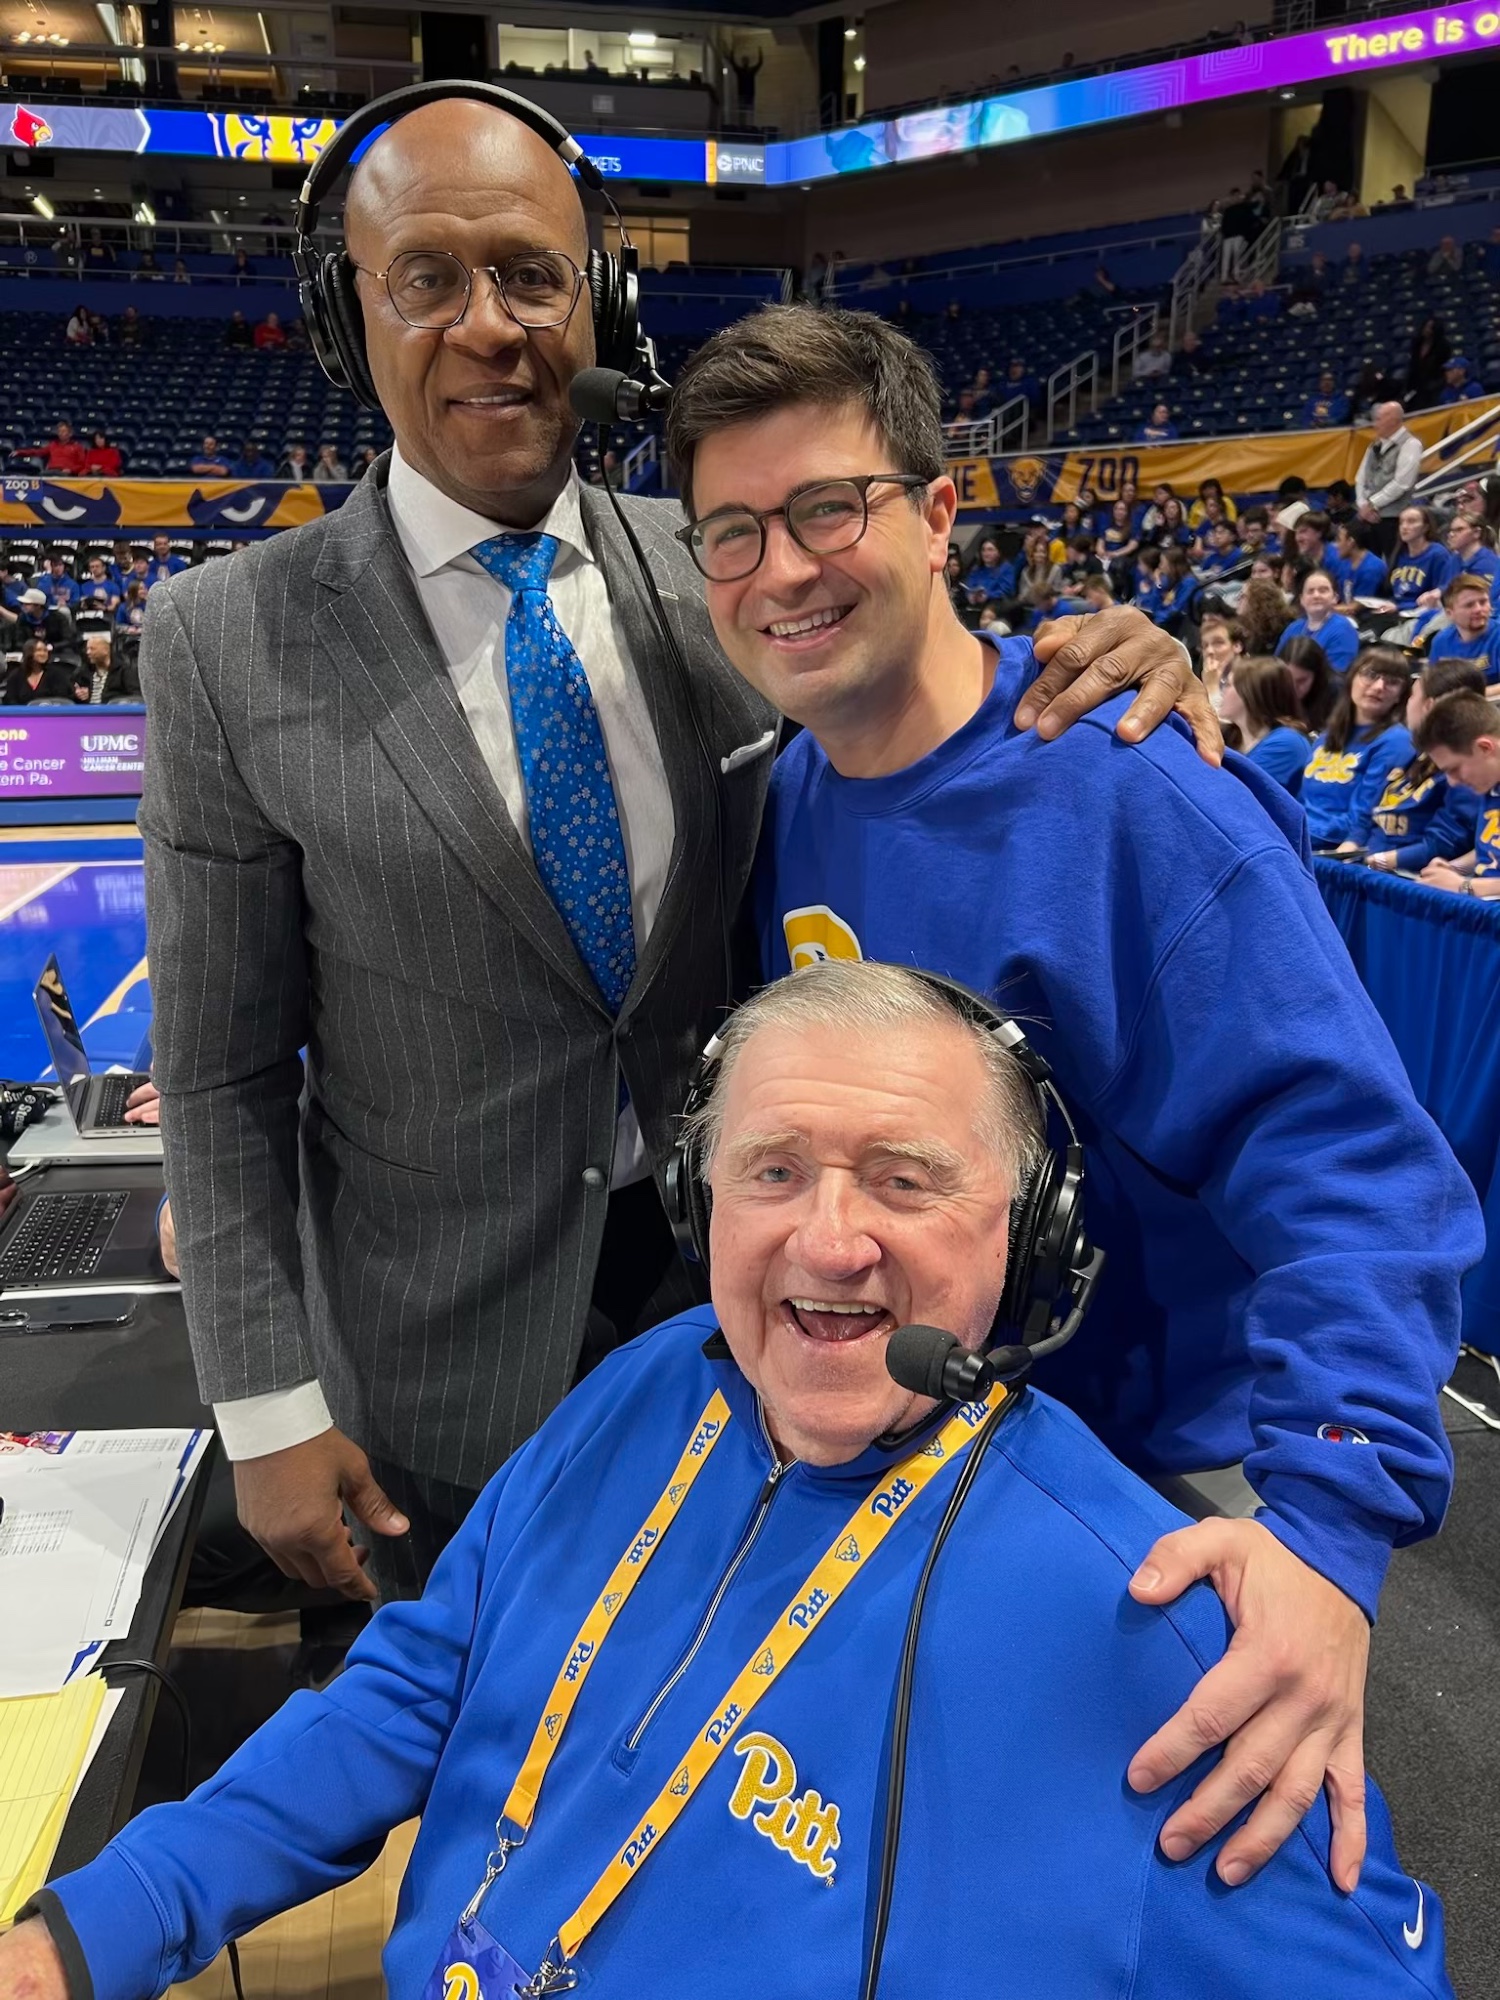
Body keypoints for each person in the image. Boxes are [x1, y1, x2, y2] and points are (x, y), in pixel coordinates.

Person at [134, 96, 1203, 1615]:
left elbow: (916, 681)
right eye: (426, 279)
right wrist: (263, 1407)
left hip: (749, 1324)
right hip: (433, 1375)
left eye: (531, 276)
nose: (489, 326)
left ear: (602, 304)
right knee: (470, 1737)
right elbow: (224, 1071)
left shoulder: (721, 565)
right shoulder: (224, 637)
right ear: (344, 317)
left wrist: (1104, 656)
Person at [0, 963, 1460, 2000]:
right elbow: (421, 1685)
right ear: (702, 1202)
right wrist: (93, 1929)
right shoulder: (652, 1385)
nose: (827, 1242)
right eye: (773, 1172)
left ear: (1029, 1232)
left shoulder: (1159, 1625)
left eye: (904, 1177)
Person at [666, 300, 1479, 1889]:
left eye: (830, 508)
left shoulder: (1131, 791)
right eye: (735, 533)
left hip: (1147, 1485)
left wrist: (1326, 1533)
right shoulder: (793, 788)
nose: (783, 569)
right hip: (933, 1464)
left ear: (939, 513)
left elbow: (1358, 1174)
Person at [1363, 659, 1487, 873]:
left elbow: (1445, 843)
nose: (1407, 704)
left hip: (1410, 875)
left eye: (1412, 695)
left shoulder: (1466, 768)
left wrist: (1381, 860)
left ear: (1429, 706)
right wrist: (1353, 846)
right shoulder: (1412, 753)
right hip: (1374, 863)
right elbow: (1369, 812)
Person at [1300, 647, 1413, 847]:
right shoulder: (1328, 736)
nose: (1379, 686)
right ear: (1352, 679)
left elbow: (1364, 814)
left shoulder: (1397, 741)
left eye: (1392, 682)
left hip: (1333, 844)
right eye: (1371, 675)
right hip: (1302, 833)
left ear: (1400, 696)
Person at [1414, 691, 1500, 896]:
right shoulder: (1490, 780)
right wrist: (1453, 869)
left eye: (1454, 769)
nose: (1452, 782)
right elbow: (1490, 849)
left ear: (1485, 748)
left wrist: (1464, 886)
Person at [1218, 655, 1308, 791]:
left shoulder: (1287, 743)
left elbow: (1231, 790)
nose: (1222, 691)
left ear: (1250, 694)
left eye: (1228, 685)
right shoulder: (1230, 735)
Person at [1356, 403, 1422, 556]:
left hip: (1394, 518)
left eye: (1378, 419)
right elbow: (1360, 478)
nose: (1375, 424)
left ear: (1393, 420)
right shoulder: (1373, 446)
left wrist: (1372, 504)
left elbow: (1402, 483)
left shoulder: (1411, 444)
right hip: (1368, 516)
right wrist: (1362, 505)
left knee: (1393, 561)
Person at [1276, 568, 1360, 673]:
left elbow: (1336, 676)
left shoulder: (1344, 630)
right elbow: (1277, 666)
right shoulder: (1293, 628)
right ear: (1302, 599)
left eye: (1323, 590)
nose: (1316, 595)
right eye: (1310, 591)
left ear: (1335, 598)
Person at [1426, 574, 1500, 682]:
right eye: (1469, 605)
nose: (1478, 609)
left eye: (1483, 602)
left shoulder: (1497, 637)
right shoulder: (1440, 642)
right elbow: (1431, 683)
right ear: (1449, 613)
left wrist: (1467, 692)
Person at [1389, 505, 1457, 618]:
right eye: (1401, 522)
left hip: (1422, 613)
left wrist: (1398, 607)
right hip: (1395, 610)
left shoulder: (1437, 554)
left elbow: (1441, 593)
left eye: (1411, 521)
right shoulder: (1399, 553)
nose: (1404, 527)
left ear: (1426, 527)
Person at [75, 629, 140, 703]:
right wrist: (79, 693)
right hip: (88, 709)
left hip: (113, 709)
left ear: (105, 650)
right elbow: (73, 690)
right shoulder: (85, 671)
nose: (88, 652)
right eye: (87, 649)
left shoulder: (124, 670)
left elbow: (136, 696)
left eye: (92, 649)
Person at [2, 637, 73, 704]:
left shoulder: (56, 674)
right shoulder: (16, 676)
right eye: (39, 650)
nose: (43, 653)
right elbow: (10, 700)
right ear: (29, 652)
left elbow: (62, 699)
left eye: (45, 650)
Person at [1443, 508, 1500, 590]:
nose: (1451, 534)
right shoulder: (1455, 559)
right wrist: (1439, 591)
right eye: (1451, 530)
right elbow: (1446, 587)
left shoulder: (1487, 563)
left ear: (1476, 533)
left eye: (1459, 530)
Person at [1333, 519, 1388, 602]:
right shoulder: (1344, 563)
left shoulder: (1372, 568)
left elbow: (1358, 605)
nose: (1336, 545)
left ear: (1351, 542)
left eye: (1339, 540)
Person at [1197, 613, 1243, 711]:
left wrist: (1212, 688)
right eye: (1205, 646)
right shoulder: (1212, 676)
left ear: (1237, 646)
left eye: (1218, 642)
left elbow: (1223, 720)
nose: (1209, 651)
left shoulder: (1250, 680)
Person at [1404, 317, 1450, 410]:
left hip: (1434, 384)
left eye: (1430, 327)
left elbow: (1442, 367)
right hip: (1417, 383)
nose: (1426, 330)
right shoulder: (1417, 343)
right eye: (1426, 326)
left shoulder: (1443, 346)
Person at [963, 533, 1014, 609]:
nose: (986, 553)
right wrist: (970, 595)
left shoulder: (1006, 568)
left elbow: (1006, 591)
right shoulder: (976, 569)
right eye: (983, 550)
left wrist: (988, 596)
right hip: (976, 604)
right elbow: (970, 586)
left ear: (998, 552)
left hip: (997, 605)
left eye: (990, 550)